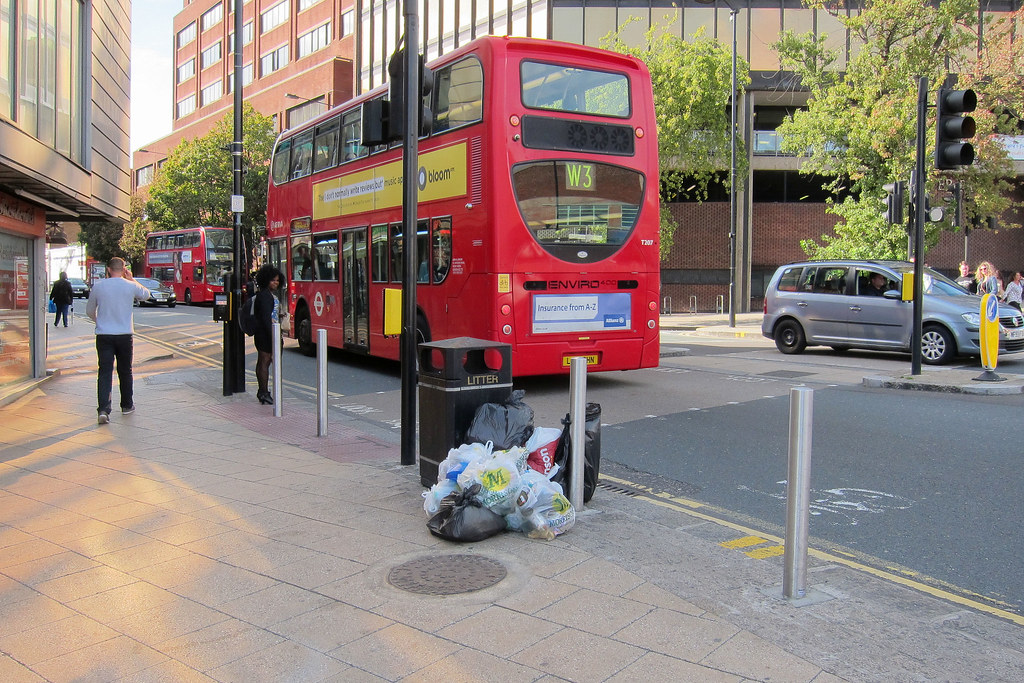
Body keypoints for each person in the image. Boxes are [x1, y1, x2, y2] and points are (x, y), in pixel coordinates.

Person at [85, 258, 150, 424]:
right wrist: (132, 279)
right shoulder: (130, 285)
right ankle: (127, 405)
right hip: (124, 335)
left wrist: (99, 321)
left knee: (105, 372)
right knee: (125, 370)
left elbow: (90, 310)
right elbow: (146, 295)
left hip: (104, 335)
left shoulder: (99, 286)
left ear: (108, 269)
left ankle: (103, 410)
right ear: (124, 269)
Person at [252, 264, 285, 405]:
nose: (276, 283)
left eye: (277, 280)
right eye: (273, 280)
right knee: (265, 362)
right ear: (265, 280)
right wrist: (274, 339)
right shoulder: (265, 296)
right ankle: (264, 392)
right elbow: (266, 318)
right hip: (267, 334)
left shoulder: (267, 295)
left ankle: (262, 391)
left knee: (263, 362)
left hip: (266, 332)